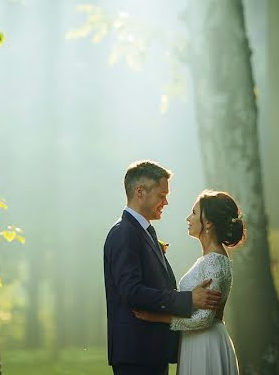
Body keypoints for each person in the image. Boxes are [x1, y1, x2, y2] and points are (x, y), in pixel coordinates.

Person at [104, 161, 223, 375]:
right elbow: (131, 292)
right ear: (140, 192)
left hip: (151, 351)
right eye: (161, 195)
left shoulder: (143, 232)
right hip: (137, 353)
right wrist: (188, 300)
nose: (166, 201)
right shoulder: (124, 233)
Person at [133, 190, 244, 374]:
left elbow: (204, 319)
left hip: (206, 345)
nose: (188, 218)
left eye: (193, 213)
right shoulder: (207, 259)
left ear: (208, 222)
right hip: (195, 342)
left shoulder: (215, 262)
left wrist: (156, 317)